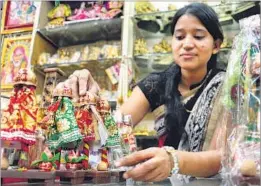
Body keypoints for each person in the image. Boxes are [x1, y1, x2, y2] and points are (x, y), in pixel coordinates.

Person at [62, 2, 225, 182]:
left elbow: (223, 157)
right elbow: (111, 132)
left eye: (198, 36)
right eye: (179, 37)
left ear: (216, 45)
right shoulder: (157, 84)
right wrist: (91, 100)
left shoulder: (226, 86)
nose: (187, 44)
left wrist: (173, 160)